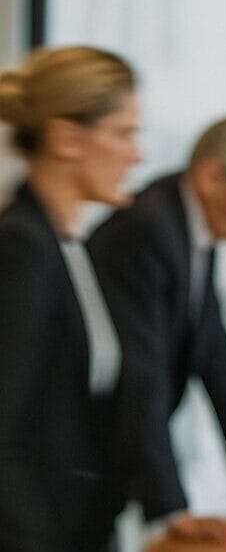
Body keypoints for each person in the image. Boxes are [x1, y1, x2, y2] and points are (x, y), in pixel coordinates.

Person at [88, 115, 226, 542]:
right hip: (80, 461)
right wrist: (170, 508)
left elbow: (215, 353)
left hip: (110, 458)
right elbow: (141, 373)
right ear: (213, 176)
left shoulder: (188, 228)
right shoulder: (146, 229)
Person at [0, 46, 141, 551]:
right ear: (66, 139)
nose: (136, 155)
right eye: (123, 134)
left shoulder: (66, 246)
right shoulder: (23, 247)